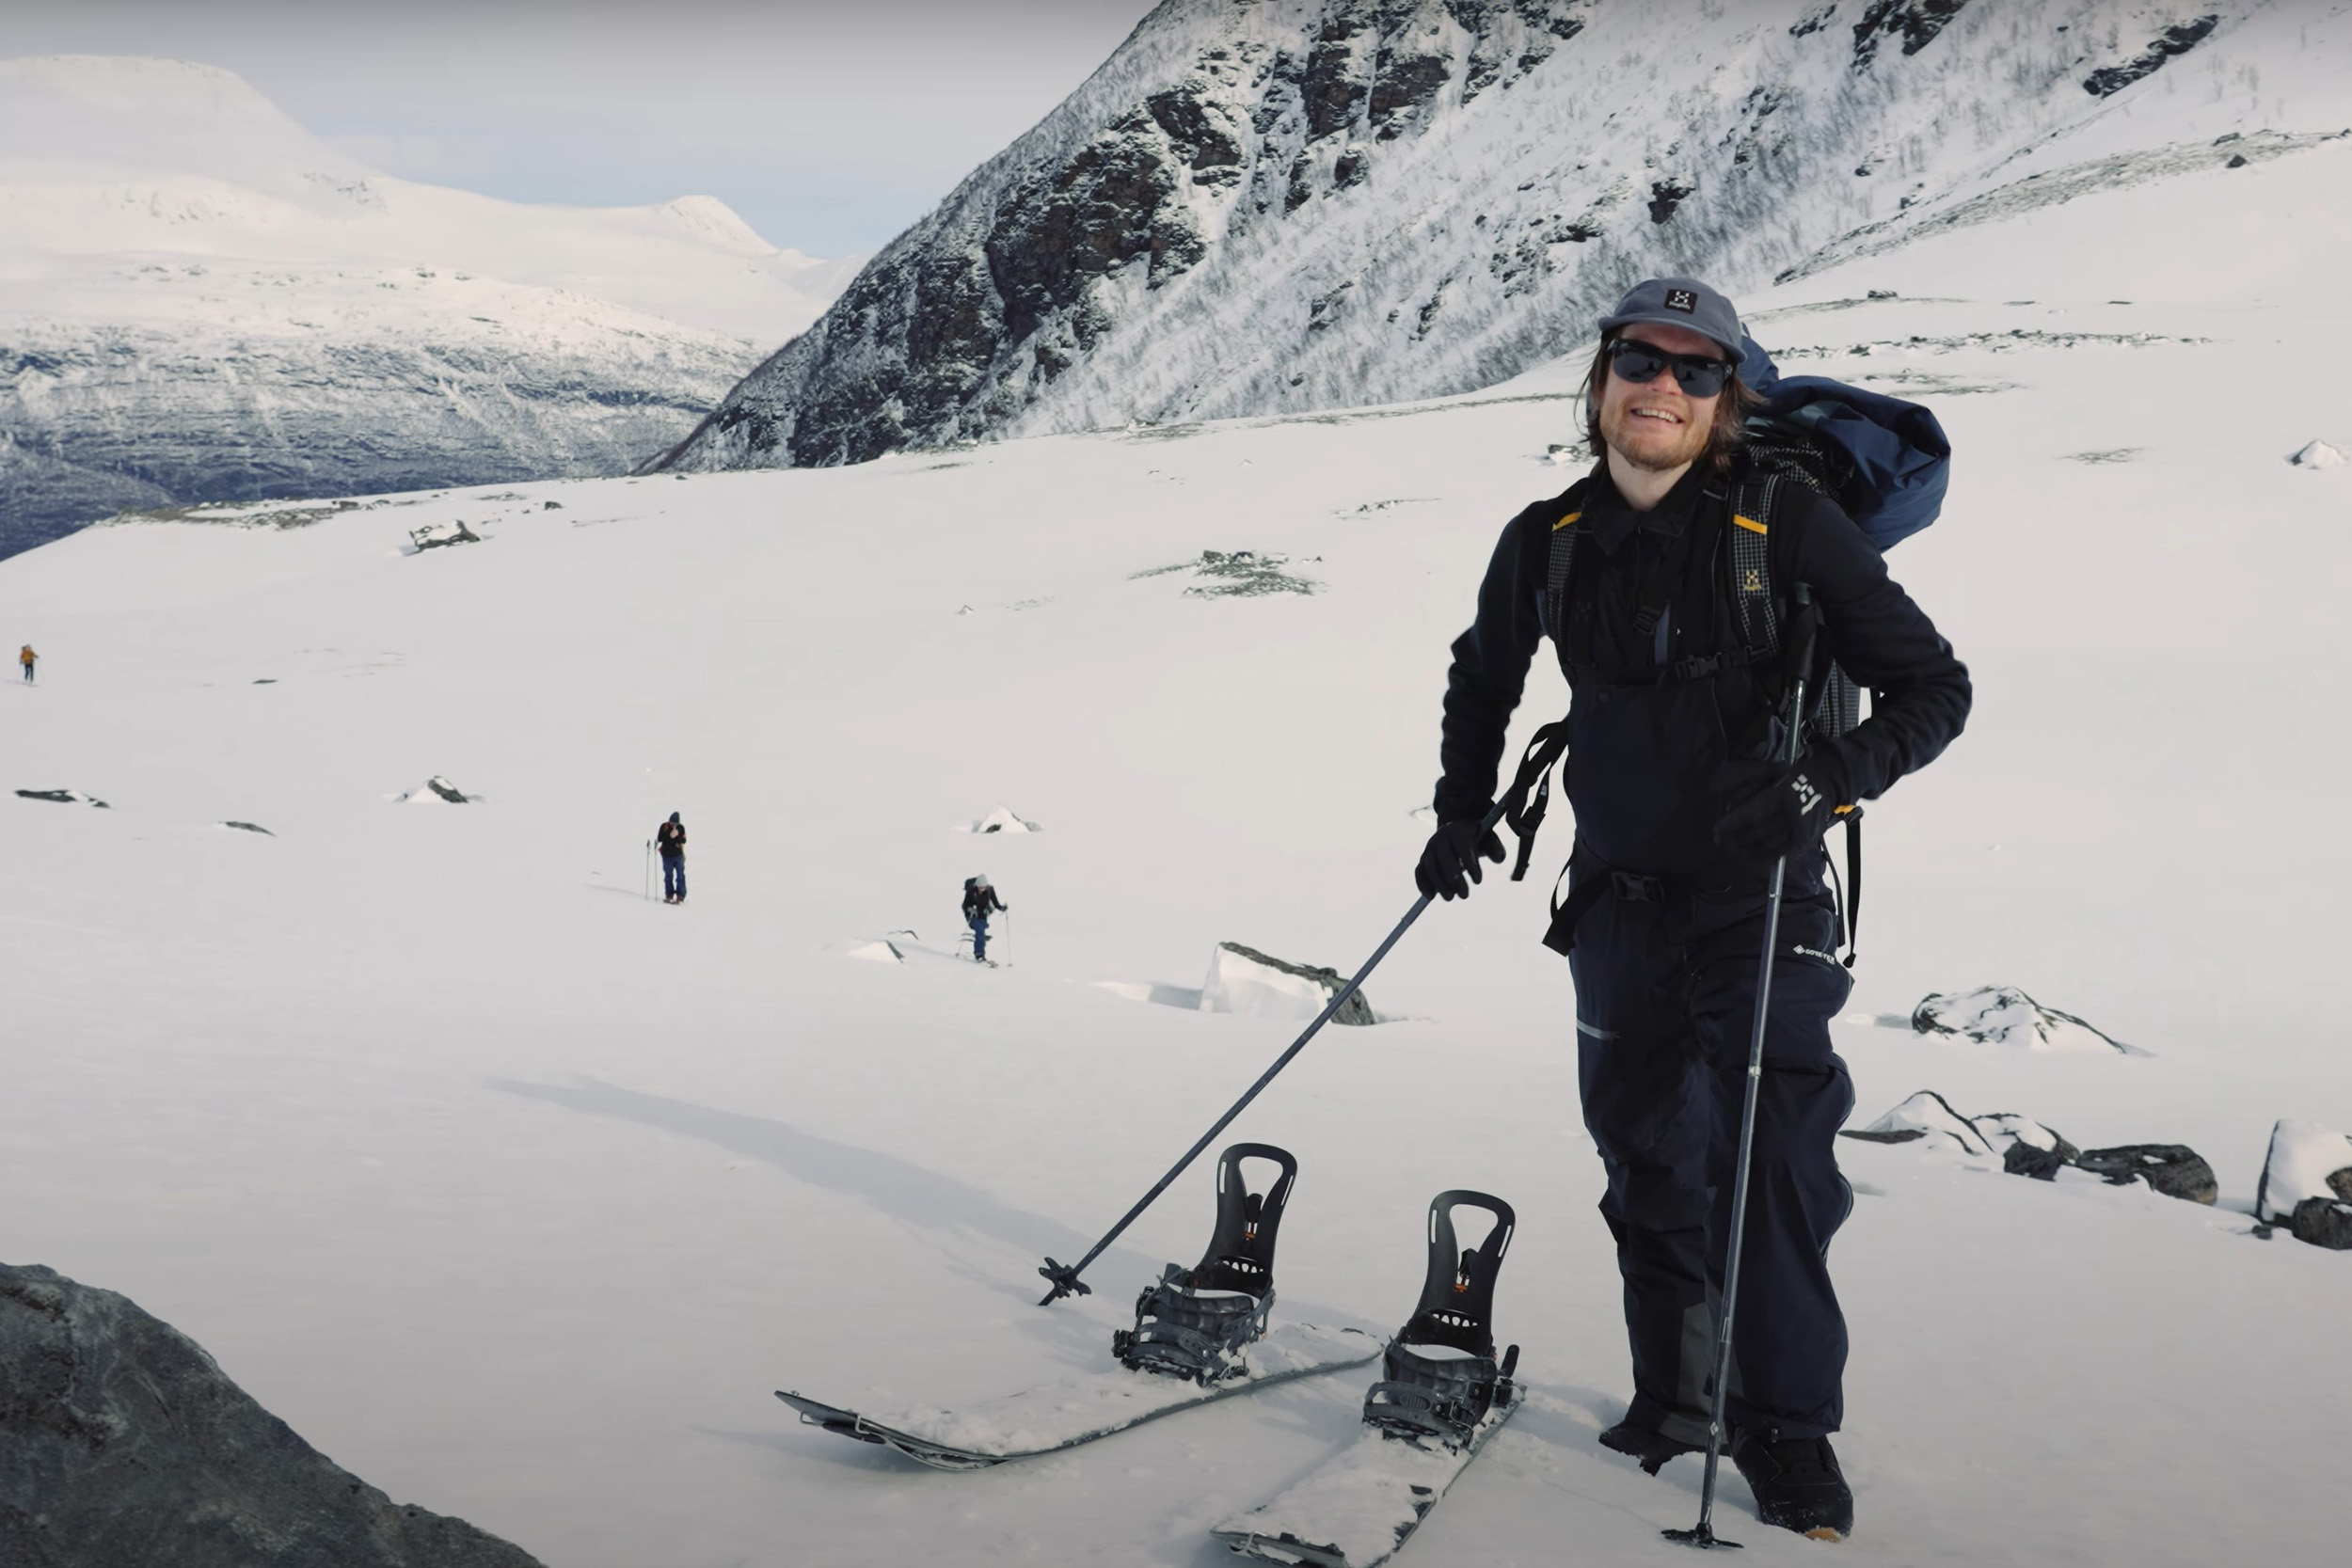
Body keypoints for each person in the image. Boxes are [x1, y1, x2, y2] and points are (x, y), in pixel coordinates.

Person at [1415, 277, 1970, 1541]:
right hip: (1616, 897)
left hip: (1762, 896)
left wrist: (1828, 782)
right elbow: (1482, 669)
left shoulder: (1791, 524)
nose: (1660, 386)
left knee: (1770, 1158)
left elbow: (1934, 688)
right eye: (1638, 359)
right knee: (1646, 1153)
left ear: (1727, 398)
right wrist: (1459, 809)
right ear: (1601, 377)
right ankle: (1676, 1397)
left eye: (1694, 369)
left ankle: (1786, 1428)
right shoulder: (1547, 533)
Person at [961, 875, 1008, 962]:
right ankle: (979, 954)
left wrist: (1002, 908)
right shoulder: (971, 890)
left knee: (982, 929)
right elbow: (964, 905)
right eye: (979, 887)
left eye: (983, 887)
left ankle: (981, 950)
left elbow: (995, 902)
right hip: (972, 915)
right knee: (980, 930)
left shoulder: (990, 890)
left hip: (982, 914)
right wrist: (971, 909)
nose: (981, 889)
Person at [656, 812, 686, 904]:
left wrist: (677, 836)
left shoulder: (681, 828)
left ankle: (680, 895)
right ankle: (669, 895)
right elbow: (659, 838)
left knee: (680, 875)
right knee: (668, 876)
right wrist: (668, 834)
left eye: (675, 824)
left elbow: (684, 840)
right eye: (672, 823)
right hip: (666, 855)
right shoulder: (664, 826)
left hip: (678, 855)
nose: (673, 825)